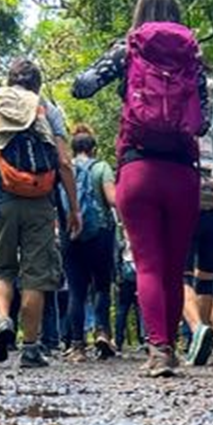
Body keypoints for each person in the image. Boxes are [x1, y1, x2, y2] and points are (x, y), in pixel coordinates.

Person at [73, 0, 208, 377]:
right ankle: (168, 345)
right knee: (172, 266)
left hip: (138, 168)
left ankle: (159, 351)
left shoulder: (128, 49)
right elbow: (204, 120)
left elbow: (83, 86)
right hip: (182, 171)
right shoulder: (193, 57)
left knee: (146, 262)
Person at [0, 57, 82, 368]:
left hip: (1, 198)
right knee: (35, 275)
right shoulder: (47, 109)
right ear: (37, 84)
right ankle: (30, 348)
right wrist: (73, 208)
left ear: (8, 80)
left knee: (0, 267)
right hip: (41, 201)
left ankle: (2, 319)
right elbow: (65, 163)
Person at [61, 125, 117, 363]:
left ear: (73, 148)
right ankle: (102, 333)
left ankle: (77, 346)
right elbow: (113, 199)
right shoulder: (101, 167)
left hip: (70, 233)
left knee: (76, 290)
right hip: (100, 233)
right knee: (102, 286)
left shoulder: (65, 169)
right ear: (94, 149)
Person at [183, 129, 213, 366]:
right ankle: (201, 339)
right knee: (207, 278)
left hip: (187, 208)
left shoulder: (183, 135)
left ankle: (197, 330)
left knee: (182, 275)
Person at [114, 223, 145, 352]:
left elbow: (116, 262)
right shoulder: (141, 242)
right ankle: (143, 339)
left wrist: (116, 279)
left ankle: (118, 340)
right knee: (140, 310)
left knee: (123, 310)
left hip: (125, 280)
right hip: (137, 279)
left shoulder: (121, 245)